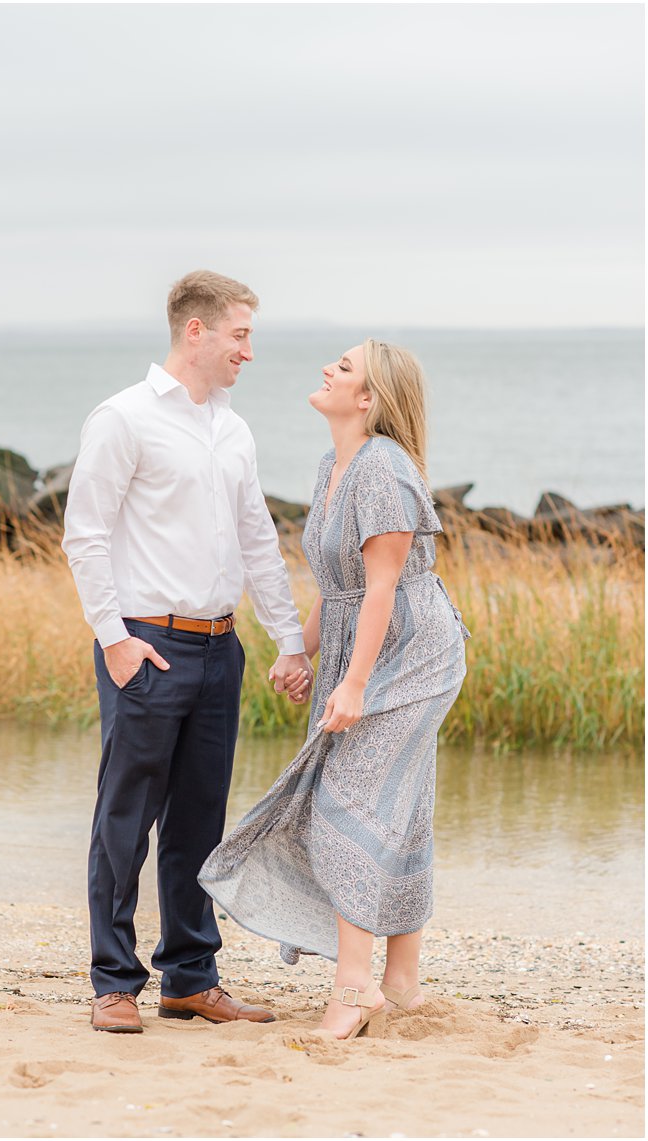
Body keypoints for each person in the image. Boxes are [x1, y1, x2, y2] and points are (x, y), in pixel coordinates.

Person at [62, 270, 314, 1034]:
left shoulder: (232, 429)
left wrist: (290, 640)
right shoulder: (124, 418)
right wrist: (115, 640)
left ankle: (190, 978)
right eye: (241, 334)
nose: (248, 351)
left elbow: (257, 542)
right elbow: (87, 534)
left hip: (219, 647)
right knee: (124, 817)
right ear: (196, 331)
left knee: (201, 819)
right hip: (149, 646)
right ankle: (114, 982)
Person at [199, 340, 467, 1039]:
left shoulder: (382, 467)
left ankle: (354, 986)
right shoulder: (333, 465)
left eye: (344, 368)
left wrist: (349, 685)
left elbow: (382, 587)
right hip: (365, 643)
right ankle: (400, 979)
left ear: (369, 399)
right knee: (400, 807)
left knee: (344, 799)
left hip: (412, 656)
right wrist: (302, 650)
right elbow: (340, 584)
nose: (327, 369)